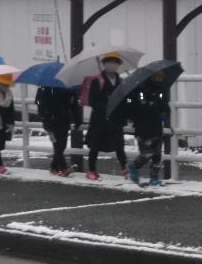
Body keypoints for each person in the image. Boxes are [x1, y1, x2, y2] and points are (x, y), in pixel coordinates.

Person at [86, 51, 128, 181]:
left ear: (118, 65)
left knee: (119, 145)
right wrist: (106, 106)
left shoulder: (121, 81)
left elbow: (124, 100)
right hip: (100, 119)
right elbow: (92, 101)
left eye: (115, 62)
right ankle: (91, 170)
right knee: (95, 146)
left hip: (115, 119)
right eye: (109, 62)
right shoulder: (97, 81)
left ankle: (126, 169)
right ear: (104, 64)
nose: (112, 65)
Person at [127, 72, 167, 187]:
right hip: (143, 127)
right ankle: (134, 166)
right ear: (152, 76)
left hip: (156, 126)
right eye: (157, 76)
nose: (159, 79)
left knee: (157, 154)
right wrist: (148, 105)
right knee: (147, 153)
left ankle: (154, 177)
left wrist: (164, 112)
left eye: (161, 77)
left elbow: (164, 104)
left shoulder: (161, 90)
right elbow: (137, 106)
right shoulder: (140, 90)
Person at [35, 84, 81, 176]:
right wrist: (45, 118)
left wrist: (77, 120)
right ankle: (64, 167)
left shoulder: (69, 89)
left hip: (64, 121)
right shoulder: (45, 87)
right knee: (57, 145)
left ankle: (54, 166)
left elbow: (74, 105)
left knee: (62, 145)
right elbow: (39, 103)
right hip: (50, 122)